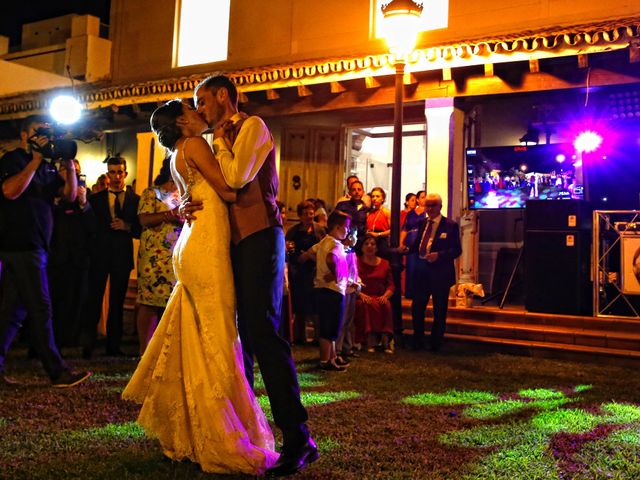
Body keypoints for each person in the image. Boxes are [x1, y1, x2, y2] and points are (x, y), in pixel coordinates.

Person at [123, 99, 278, 475]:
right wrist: (225, 144)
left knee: (194, 336)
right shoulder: (196, 144)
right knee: (218, 335)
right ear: (182, 121)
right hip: (205, 247)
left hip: (192, 243)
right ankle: (219, 434)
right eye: (194, 111)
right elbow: (228, 190)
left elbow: (194, 195)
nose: (201, 114)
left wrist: (182, 208)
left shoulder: (179, 152)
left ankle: (189, 431)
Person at [190, 74, 317, 476]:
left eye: (204, 102)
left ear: (223, 96)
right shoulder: (215, 140)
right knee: (238, 336)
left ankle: (298, 437)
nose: (201, 111)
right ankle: (242, 430)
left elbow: (238, 177)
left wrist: (219, 143)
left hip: (263, 237)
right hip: (232, 244)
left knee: (263, 332)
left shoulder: (254, 127)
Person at [0, 115, 91, 388]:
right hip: (20, 245)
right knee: (41, 309)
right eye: (40, 132)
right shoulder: (13, 160)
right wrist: (36, 160)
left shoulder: (47, 169)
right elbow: (9, 191)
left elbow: (69, 196)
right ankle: (57, 371)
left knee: (12, 314)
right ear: (25, 136)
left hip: (37, 246)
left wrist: (68, 166)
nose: (46, 138)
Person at [80, 156, 141, 358]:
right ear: (108, 174)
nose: (116, 176)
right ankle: (88, 344)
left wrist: (127, 227)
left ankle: (113, 346)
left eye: (119, 172)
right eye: (112, 172)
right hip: (100, 255)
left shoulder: (135, 200)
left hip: (121, 257)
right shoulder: (96, 200)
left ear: (125, 174)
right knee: (94, 299)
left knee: (117, 302)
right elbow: (90, 228)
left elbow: (141, 229)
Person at [135, 157, 182, 355]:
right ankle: (144, 352)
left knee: (175, 303)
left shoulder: (184, 194)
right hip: (154, 258)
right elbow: (144, 219)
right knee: (149, 302)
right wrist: (170, 215)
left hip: (177, 255)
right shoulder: (151, 193)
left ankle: (168, 352)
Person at [403, 193, 462, 352]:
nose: (428, 208)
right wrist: (406, 250)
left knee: (439, 309)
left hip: (440, 272)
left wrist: (439, 256)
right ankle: (418, 340)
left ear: (440, 207)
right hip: (422, 270)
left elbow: (457, 250)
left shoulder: (450, 225)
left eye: (432, 205)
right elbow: (417, 245)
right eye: (427, 205)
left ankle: (436, 342)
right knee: (417, 307)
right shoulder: (423, 223)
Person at [48, 160, 96, 350]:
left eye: (75, 171)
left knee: (76, 299)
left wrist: (84, 205)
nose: (70, 175)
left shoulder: (85, 196)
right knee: (53, 300)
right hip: (55, 257)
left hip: (78, 258)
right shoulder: (51, 193)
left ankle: (71, 338)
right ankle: (51, 339)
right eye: (66, 170)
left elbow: (93, 228)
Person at [301, 210, 351, 371]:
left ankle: (332, 356)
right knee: (329, 327)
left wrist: (320, 268)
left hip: (324, 288)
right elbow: (332, 258)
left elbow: (310, 253)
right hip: (332, 290)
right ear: (337, 227)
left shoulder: (324, 241)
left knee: (331, 325)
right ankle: (325, 360)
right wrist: (334, 273)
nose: (348, 231)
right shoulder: (335, 245)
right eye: (346, 227)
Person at [286, 200, 326, 344]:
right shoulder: (294, 231)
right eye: (305, 214)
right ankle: (299, 336)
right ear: (299, 216)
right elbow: (289, 250)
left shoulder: (320, 230)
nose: (309, 217)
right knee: (300, 304)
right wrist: (298, 257)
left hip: (315, 271)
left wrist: (311, 256)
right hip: (300, 272)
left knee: (316, 305)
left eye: (311, 213)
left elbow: (325, 248)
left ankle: (317, 337)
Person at [356, 235, 395, 353]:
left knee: (386, 304)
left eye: (373, 244)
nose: (369, 246)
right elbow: (351, 281)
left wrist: (385, 296)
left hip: (379, 296)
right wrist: (360, 294)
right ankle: (368, 341)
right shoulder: (356, 261)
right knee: (365, 305)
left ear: (377, 248)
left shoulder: (385, 263)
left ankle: (385, 340)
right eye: (366, 244)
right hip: (361, 295)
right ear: (362, 247)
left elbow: (391, 285)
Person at [400, 190, 426, 300]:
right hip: (411, 244)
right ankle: (410, 293)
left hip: (422, 244)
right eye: (422, 197)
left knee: (422, 268)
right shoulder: (411, 213)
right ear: (418, 200)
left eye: (426, 197)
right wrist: (401, 242)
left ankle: (421, 292)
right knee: (411, 268)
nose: (424, 199)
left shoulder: (428, 212)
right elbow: (405, 228)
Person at [335, 179, 368, 253]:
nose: (357, 192)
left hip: (361, 244)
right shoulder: (342, 205)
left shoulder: (367, 209)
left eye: (359, 189)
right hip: (344, 242)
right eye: (353, 190)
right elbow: (335, 223)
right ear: (349, 192)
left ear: (363, 192)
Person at [366, 186, 391, 259]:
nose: (375, 198)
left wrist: (378, 234)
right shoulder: (369, 213)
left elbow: (392, 230)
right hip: (370, 241)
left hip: (382, 242)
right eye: (373, 196)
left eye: (377, 196)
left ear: (382, 198)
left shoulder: (387, 212)